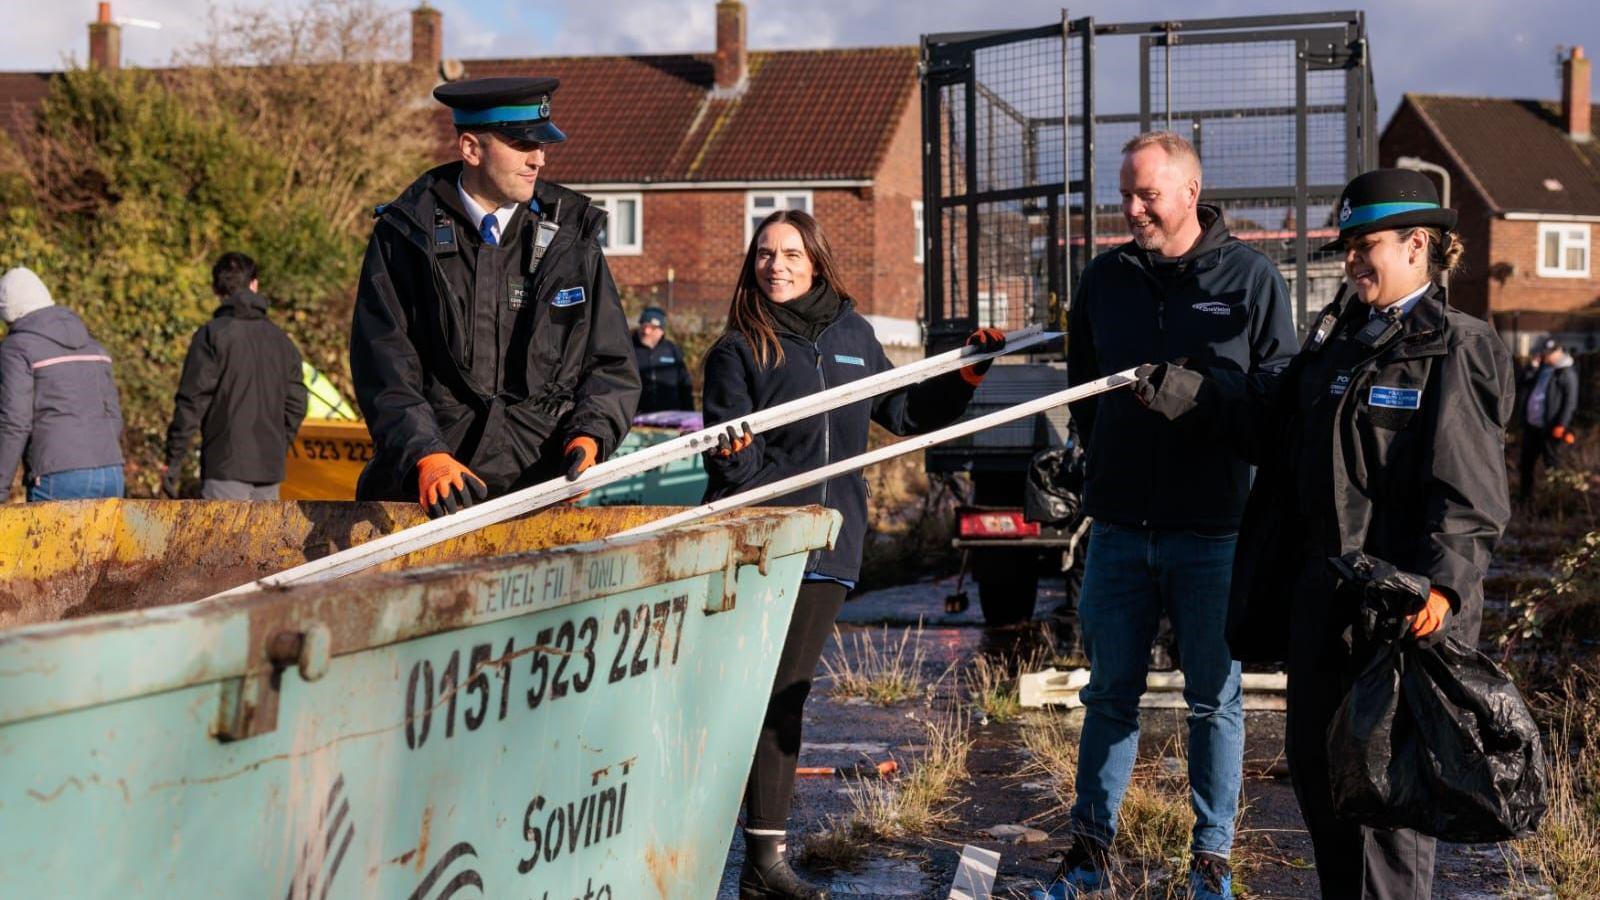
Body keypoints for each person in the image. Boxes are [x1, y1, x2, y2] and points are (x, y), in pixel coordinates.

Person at [1134, 168, 1514, 898]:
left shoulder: (1454, 347)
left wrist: (1444, 591)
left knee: (1387, 823)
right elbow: (1269, 427)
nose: (1350, 261)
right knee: (1328, 801)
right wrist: (1181, 390)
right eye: (1346, 247)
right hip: (1323, 615)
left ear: (1416, 244)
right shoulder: (1338, 341)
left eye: (1364, 245)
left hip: (1397, 627)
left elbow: (1469, 498)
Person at [703, 210, 1002, 899]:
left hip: (833, 546)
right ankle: (760, 863)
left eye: (790, 254)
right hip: (765, 548)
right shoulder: (739, 348)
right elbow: (727, 471)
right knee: (772, 697)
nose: (775, 266)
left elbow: (905, 416)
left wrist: (966, 375)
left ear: (816, 262)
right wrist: (744, 469)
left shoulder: (853, 336)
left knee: (785, 695)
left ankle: (761, 863)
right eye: (764, 255)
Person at [1059, 131, 1297, 899]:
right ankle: (1089, 857)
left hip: (1213, 532)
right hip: (1121, 528)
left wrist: (1201, 398)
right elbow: (1083, 389)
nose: (1132, 209)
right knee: (1108, 693)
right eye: (1125, 194)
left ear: (1190, 192)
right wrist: (1096, 468)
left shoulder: (1251, 279)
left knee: (1213, 700)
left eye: (1147, 195)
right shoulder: (1105, 280)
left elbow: (1278, 399)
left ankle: (1210, 864)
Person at [351, 76, 639, 518]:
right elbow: (385, 364)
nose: (539, 159)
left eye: (542, 146)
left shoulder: (572, 238)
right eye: (523, 145)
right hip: (427, 499)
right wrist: (426, 456)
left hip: (538, 497)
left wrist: (590, 437)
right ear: (471, 148)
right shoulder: (405, 235)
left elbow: (610, 364)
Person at [164, 252, 307, 500]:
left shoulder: (212, 335)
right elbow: (297, 403)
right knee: (264, 540)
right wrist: (278, 445)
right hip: (269, 469)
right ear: (254, 284)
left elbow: (191, 402)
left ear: (216, 290)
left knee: (224, 539)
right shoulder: (282, 341)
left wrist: (173, 461)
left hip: (224, 466)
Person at [0, 267, 125, 501]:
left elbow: (14, 422)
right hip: (112, 470)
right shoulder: (95, 347)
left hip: (58, 475)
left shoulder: (16, 348)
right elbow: (114, 416)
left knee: (49, 539)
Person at [1518, 337, 1579, 502]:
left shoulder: (1567, 373)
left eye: (1550, 353)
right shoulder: (1542, 368)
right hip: (1532, 426)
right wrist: (1532, 366)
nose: (1546, 356)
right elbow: (1524, 383)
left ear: (1559, 352)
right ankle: (1525, 499)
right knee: (1526, 465)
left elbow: (1570, 402)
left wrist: (1561, 425)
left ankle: (1556, 501)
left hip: (1550, 429)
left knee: (1552, 466)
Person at [632, 306, 695, 413]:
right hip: (637, 419)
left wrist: (689, 413)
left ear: (661, 331)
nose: (646, 331)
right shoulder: (629, 350)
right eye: (644, 326)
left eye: (652, 327)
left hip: (670, 417)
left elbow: (684, 384)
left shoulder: (672, 350)